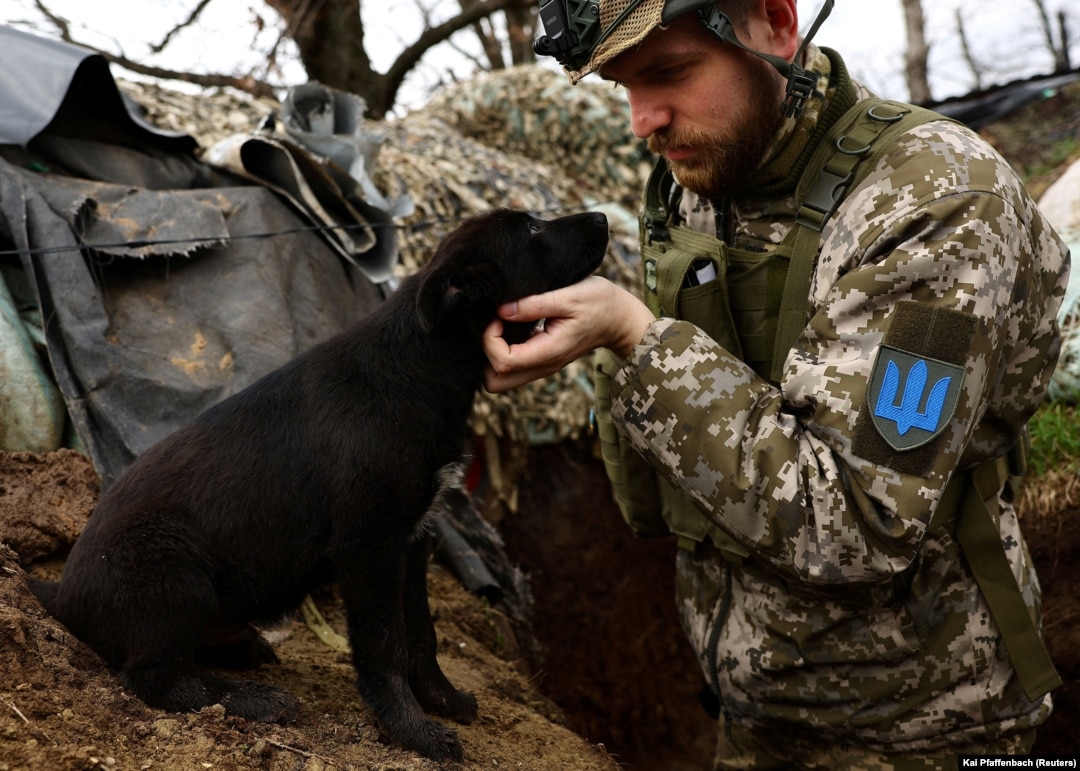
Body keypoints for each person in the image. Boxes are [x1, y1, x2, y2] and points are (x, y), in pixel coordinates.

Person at [482, 0, 1071, 768]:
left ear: (774, 23)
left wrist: (633, 337)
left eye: (668, 72)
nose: (642, 120)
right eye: (622, 86)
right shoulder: (712, 168)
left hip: (923, 728)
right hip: (755, 708)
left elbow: (857, 523)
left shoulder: (935, 204)